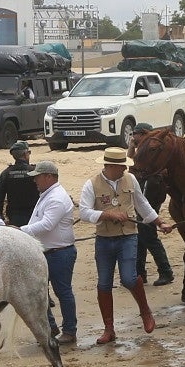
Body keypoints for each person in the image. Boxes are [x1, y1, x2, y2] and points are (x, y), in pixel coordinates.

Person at [78, 147, 167, 344]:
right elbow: (83, 212)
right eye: (121, 167)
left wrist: (159, 222)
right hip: (104, 238)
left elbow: (142, 204)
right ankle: (109, 329)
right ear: (109, 166)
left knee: (128, 278)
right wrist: (107, 214)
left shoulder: (131, 180)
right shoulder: (91, 184)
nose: (124, 170)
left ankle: (145, 311)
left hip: (128, 236)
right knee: (103, 283)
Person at [21, 160, 78, 344]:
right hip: (48, 252)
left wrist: (20, 231)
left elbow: (47, 225)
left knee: (62, 292)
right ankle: (51, 326)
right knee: (39, 292)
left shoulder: (56, 197)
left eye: (38, 177)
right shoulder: (49, 194)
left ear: (49, 177)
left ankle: (69, 330)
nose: (35, 181)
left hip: (59, 253)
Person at [0, 142, 40, 226]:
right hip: (35, 215)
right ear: (25, 154)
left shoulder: (6, 173)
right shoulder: (34, 171)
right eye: (29, 152)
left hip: (14, 217)